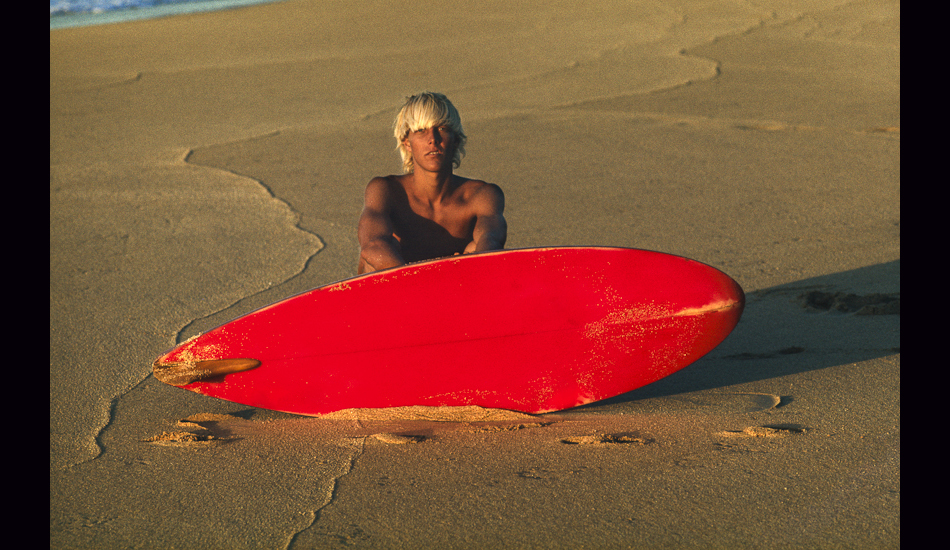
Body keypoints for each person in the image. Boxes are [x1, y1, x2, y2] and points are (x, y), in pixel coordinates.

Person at [357, 92, 507, 274]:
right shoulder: (387, 190)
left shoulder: (481, 195)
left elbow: (490, 242)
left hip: (458, 286)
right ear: (407, 143)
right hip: (401, 289)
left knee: (476, 250)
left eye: (442, 128)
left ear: (456, 140)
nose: (433, 139)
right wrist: (419, 285)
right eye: (421, 131)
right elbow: (373, 246)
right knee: (374, 259)